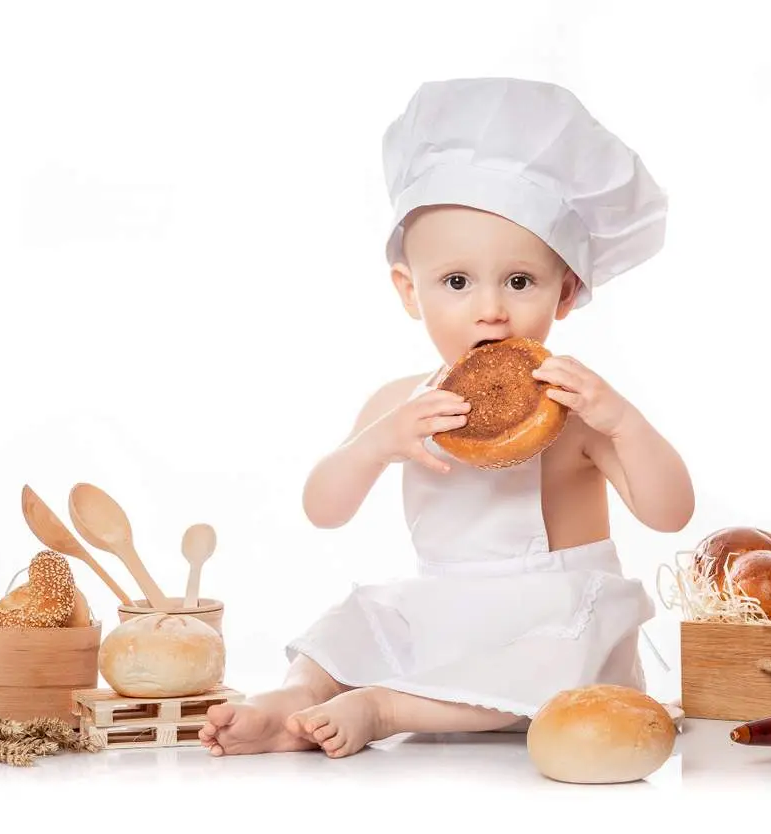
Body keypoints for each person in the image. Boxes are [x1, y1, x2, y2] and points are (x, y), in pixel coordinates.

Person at [199, 78, 694, 759]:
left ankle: (385, 705)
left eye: (519, 281)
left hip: (552, 618)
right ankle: (297, 694)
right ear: (410, 290)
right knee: (360, 619)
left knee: (565, 659)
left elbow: (670, 513)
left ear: (567, 290)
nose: (490, 309)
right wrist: (378, 445)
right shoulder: (401, 403)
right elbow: (323, 507)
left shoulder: (578, 411)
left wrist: (624, 423)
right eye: (456, 282)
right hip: (445, 606)